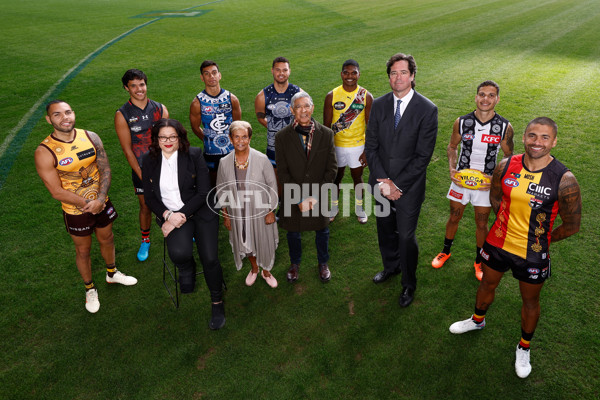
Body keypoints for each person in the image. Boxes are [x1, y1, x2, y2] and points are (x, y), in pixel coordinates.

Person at [449, 117, 581, 379]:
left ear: (554, 141)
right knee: (486, 284)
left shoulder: (564, 179)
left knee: (530, 301)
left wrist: (542, 239)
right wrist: (504, 225)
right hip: (498, 243)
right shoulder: (506, 165)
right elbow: (496, 197)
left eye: (545, 137)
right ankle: (477, 320)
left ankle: (524, 347)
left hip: (532, 253)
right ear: (523, 137)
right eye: (532, 135)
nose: (537, 142)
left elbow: (572, 225)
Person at [35, 100, 137, 314]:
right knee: (83, 250)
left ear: (74, 113)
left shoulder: (90, 137)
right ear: (49, 119)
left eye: (68, 112)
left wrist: (100, 199)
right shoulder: (45, 151)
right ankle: (89, 288)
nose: (65, 118)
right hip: (76, 211)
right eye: (57, 114)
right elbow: (55, 191)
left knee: (107, 238)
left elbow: (104, 167)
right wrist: (88, 204)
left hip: (101, 202)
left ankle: (112, 273)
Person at [364, 53, 438, 307]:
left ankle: (408, 283)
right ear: (389, 77)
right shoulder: (379, 104)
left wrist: (396, 185)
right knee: (384, 229)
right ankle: (391, 267)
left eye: (403, 72)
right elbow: (371, 147)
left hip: (409, 186)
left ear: (413, 76)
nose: (398, 78)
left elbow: (422, 156)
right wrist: (384, 182)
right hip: (380, 181)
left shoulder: (427, 109)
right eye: (393, 73)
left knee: (406, 236)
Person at [142, 118, 226, 330]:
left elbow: (204, 192)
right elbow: (150, 198)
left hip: (200, 211)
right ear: (156, 139)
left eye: (172, 137)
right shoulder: (149, 160)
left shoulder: (194, 155)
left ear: (180, 138)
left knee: (210, 258)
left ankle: (217, 301)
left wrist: (179, 216)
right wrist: (168, 215)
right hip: (171, 215)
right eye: (163, 137)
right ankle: (187, 268)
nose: (168, 141)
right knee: (179, 253)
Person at [431, 80, 514, 280]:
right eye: (482, 94)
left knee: (482, 223)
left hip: (485, 185)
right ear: (476, 97)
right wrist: (452, 169)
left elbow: (509, 158)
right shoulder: (462, 122)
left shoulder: (504, 127)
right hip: (461, 181)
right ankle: (446, 251)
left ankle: (479, 260)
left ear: (497, 99)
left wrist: (495, 179)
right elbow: (452, 147)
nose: (486, 99)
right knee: (454, 217)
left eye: (491, 95)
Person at [275, 92, 337, 283]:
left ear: (313, 108)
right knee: (293, 232)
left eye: (307, 106)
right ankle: (295, 264)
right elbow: (283, 172)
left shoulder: (326, 134)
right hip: (293, 196)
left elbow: (332, 169)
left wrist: (315, 197)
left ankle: (323, 263)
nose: (303, 110)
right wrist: (299, 199)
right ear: (292, 110)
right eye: (299, 107)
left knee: (322, 230)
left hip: (318, 194)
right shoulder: (282, 137)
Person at [115, 68, 169, 262]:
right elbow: (128, 150)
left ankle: (180, 228)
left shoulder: (160, 108)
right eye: (134, 86)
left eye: (142, 84)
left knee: (173, 197)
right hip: (141, 168)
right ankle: (145, 240)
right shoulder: (122, 114)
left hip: (165, 164)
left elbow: (169, 138)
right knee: (145, 205)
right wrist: (143, 175)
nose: (139, 89)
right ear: (126, 88)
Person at [216, 121, 279, 288]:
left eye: (244, 136)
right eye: (236, 137)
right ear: (230, 139)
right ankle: (254, 268)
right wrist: (226, 214)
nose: (241, 140)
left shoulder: (262, 159)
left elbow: (272, 185)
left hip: (260, 210)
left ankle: (266, 272)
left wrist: (271, 210)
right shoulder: (224, 162)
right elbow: (221, 189)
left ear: (250, 138)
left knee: (263, 241)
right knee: (244, 240)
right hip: (237, 212)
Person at [323, 59, 373, 224]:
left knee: (357, 178)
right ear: (341, 74)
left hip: (358, 146)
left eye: (353, 73)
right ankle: (334, 207)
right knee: (336, 178)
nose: (350, 76)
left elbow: (371, 126)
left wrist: (367, 150)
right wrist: (327, 151)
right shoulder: (332, 95)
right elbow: (326, 127)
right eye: (346, 72)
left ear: (359, 74)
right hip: (337, 146)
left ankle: (359, 208)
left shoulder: (365, 96)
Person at [189, 60, 242, 187]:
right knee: (214, 187)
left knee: (235, 185)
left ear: (219, 75)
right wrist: (208, 139)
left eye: (214, 73)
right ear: (202, 78)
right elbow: (195, 127)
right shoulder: (197, 102)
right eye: (207, 74)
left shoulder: (232, 99)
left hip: (231, 151)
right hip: (211, 152)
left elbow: (238, 125)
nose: (211, 76)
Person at [254, 56, 302, 169]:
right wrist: (274, 128)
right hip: (273, 147)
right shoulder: (262, 96)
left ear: (289, 71)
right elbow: (260, 117)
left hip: (295, 146)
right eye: (278, 70)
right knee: (275, 181)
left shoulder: (299, 94)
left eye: (285, 70)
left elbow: (305, 116)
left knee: (296, 181)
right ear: (272, 71)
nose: (281, 73)